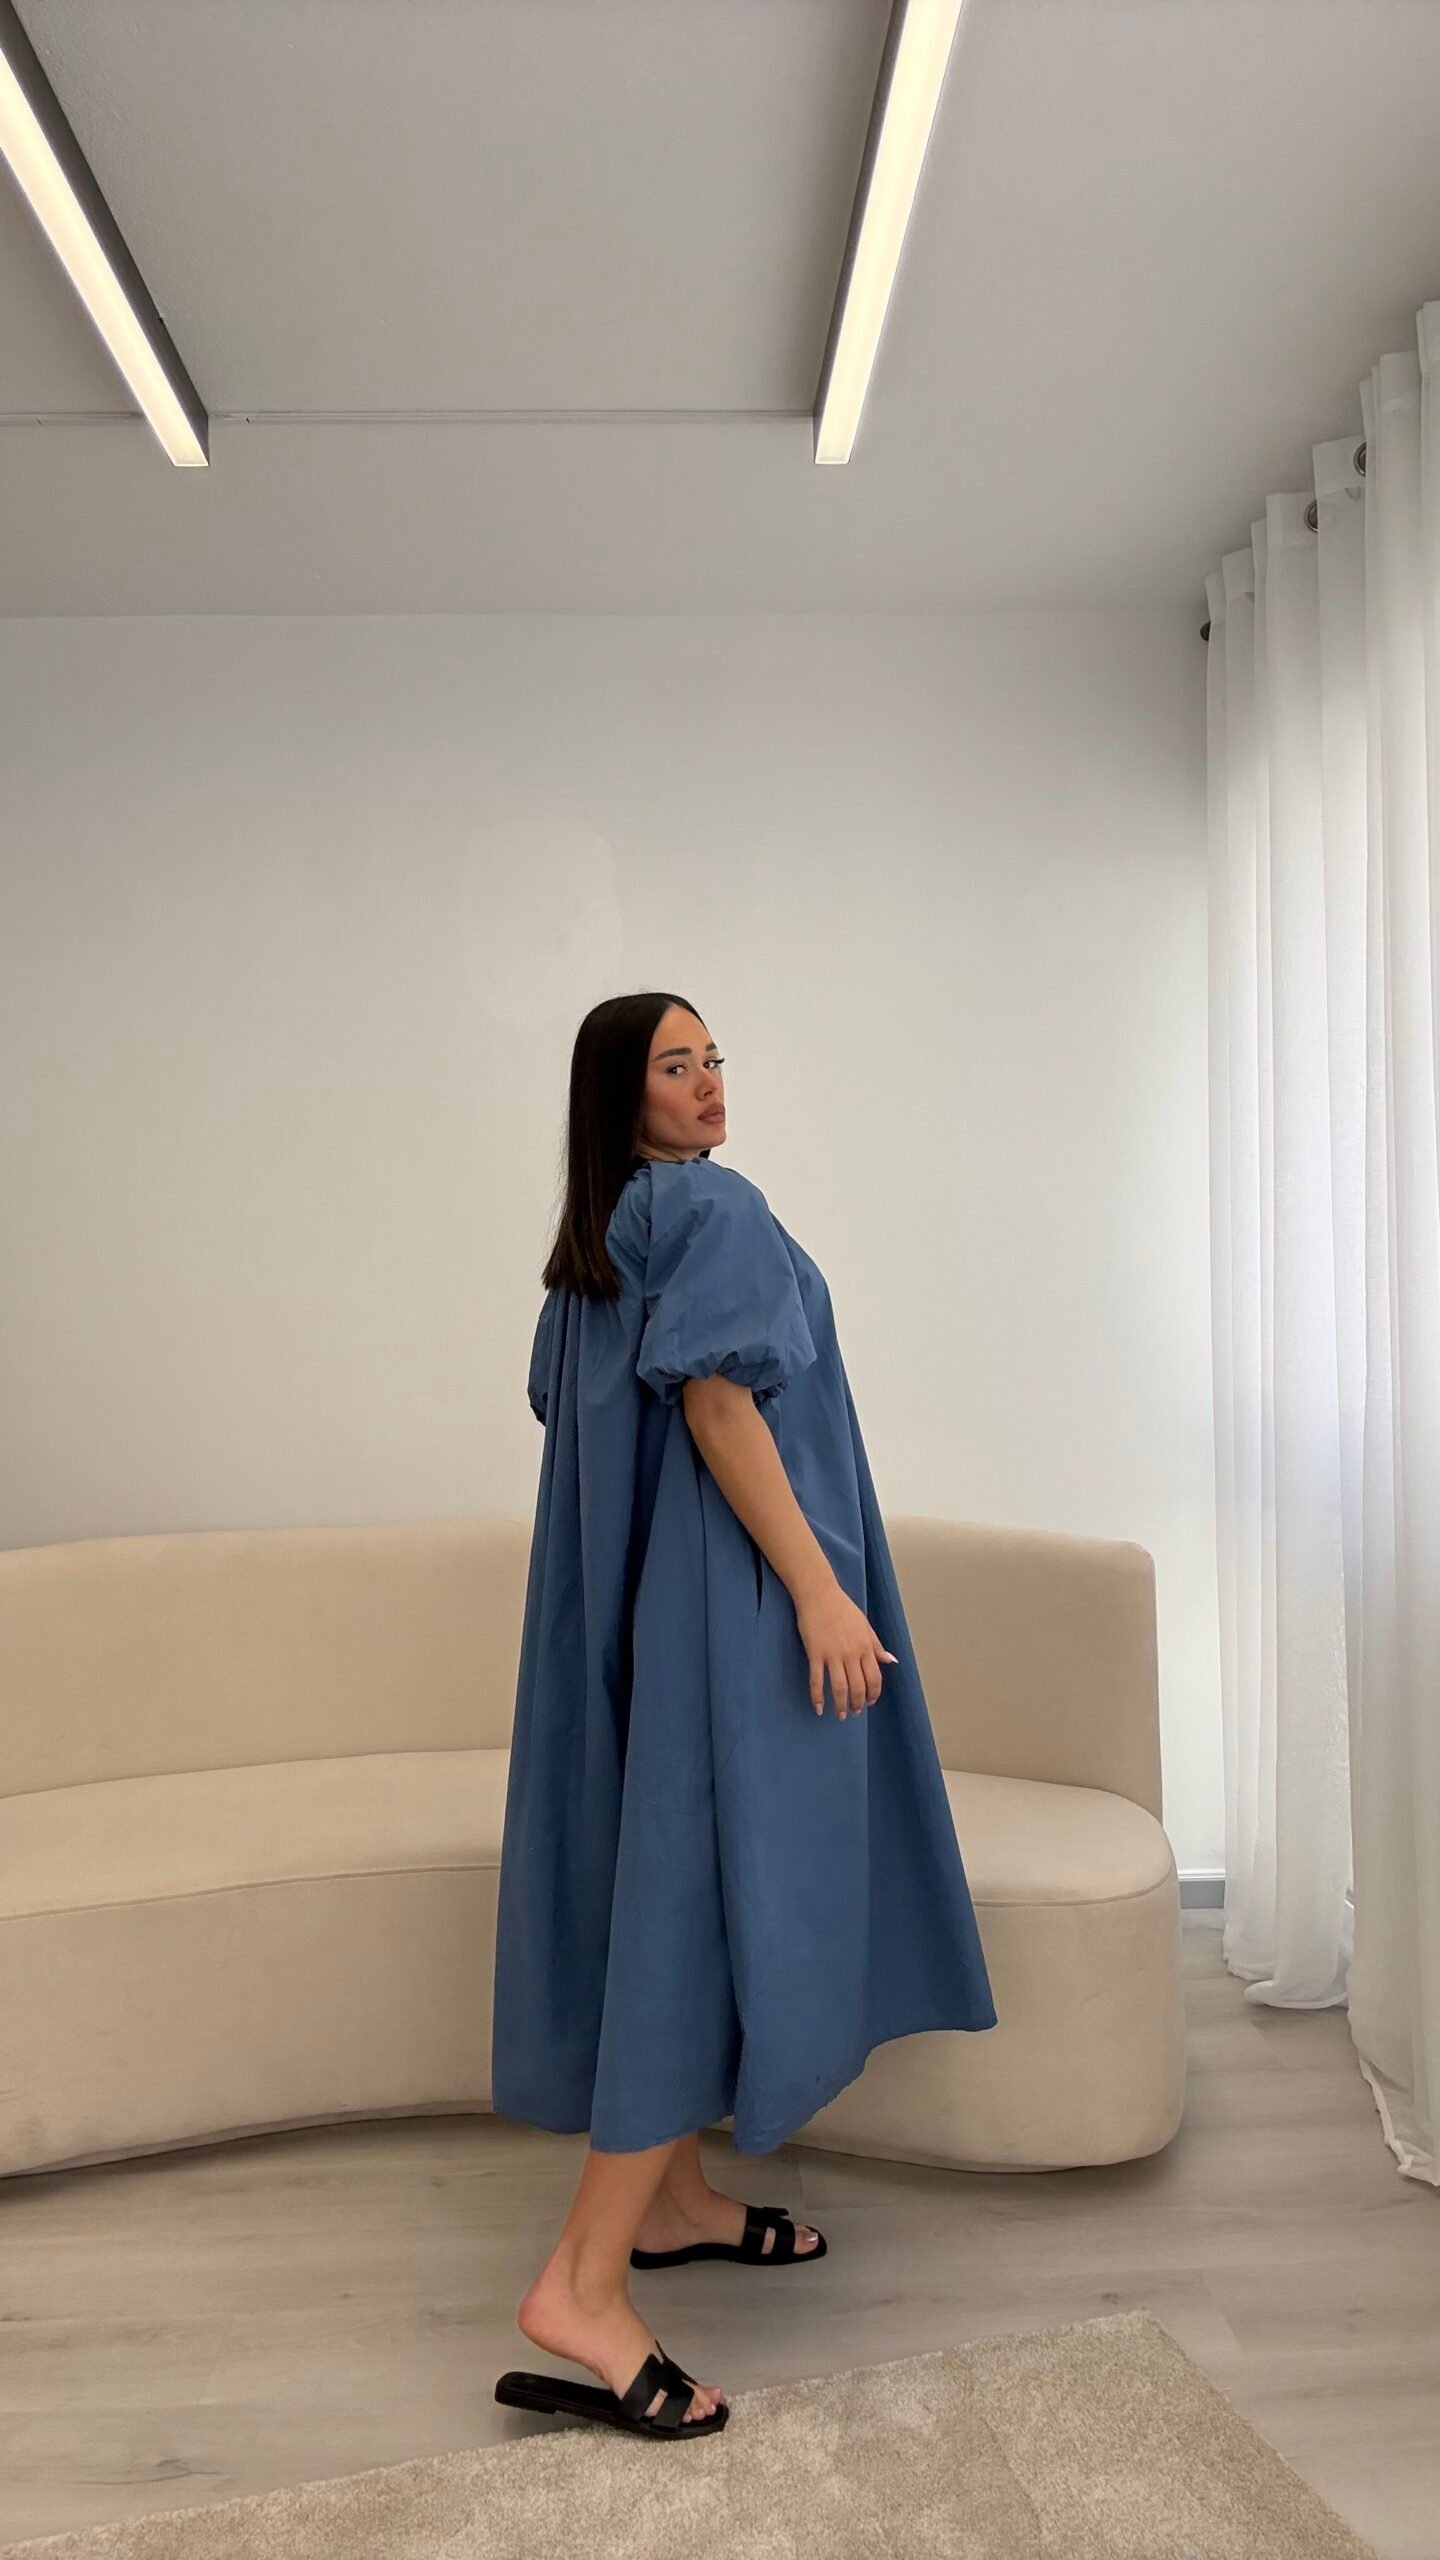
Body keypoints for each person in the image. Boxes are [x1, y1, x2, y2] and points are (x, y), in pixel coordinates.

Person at [492, 992, 997, 2441]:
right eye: (676, 1065)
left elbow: (585, 1430)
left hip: (639, 1622)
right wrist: (823, 1595)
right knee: (698, 1916)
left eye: (713, 1059)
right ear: (622, 1095)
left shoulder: (598, 1244)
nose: (709, 1083)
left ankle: (672, 2205)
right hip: (727, 1612)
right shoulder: (713, 1209)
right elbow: (722, 1413)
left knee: (662, 1895)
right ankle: (582, 2285)